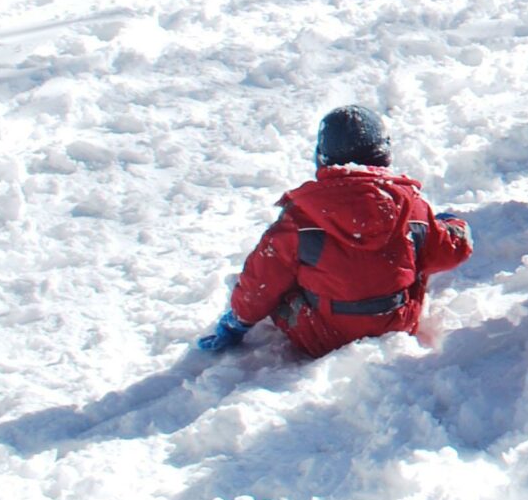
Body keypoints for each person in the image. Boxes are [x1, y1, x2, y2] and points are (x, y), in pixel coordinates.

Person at [195, 106, 475, 358]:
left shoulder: (301, 216)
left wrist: (237, 322)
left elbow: (260, 282)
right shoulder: (412, 207)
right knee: (417, 246)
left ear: (322, 159)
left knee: (279, 277)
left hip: (322, 336)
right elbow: (450, 251)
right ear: (384, 155)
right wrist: (454, 226)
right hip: (395, 324)